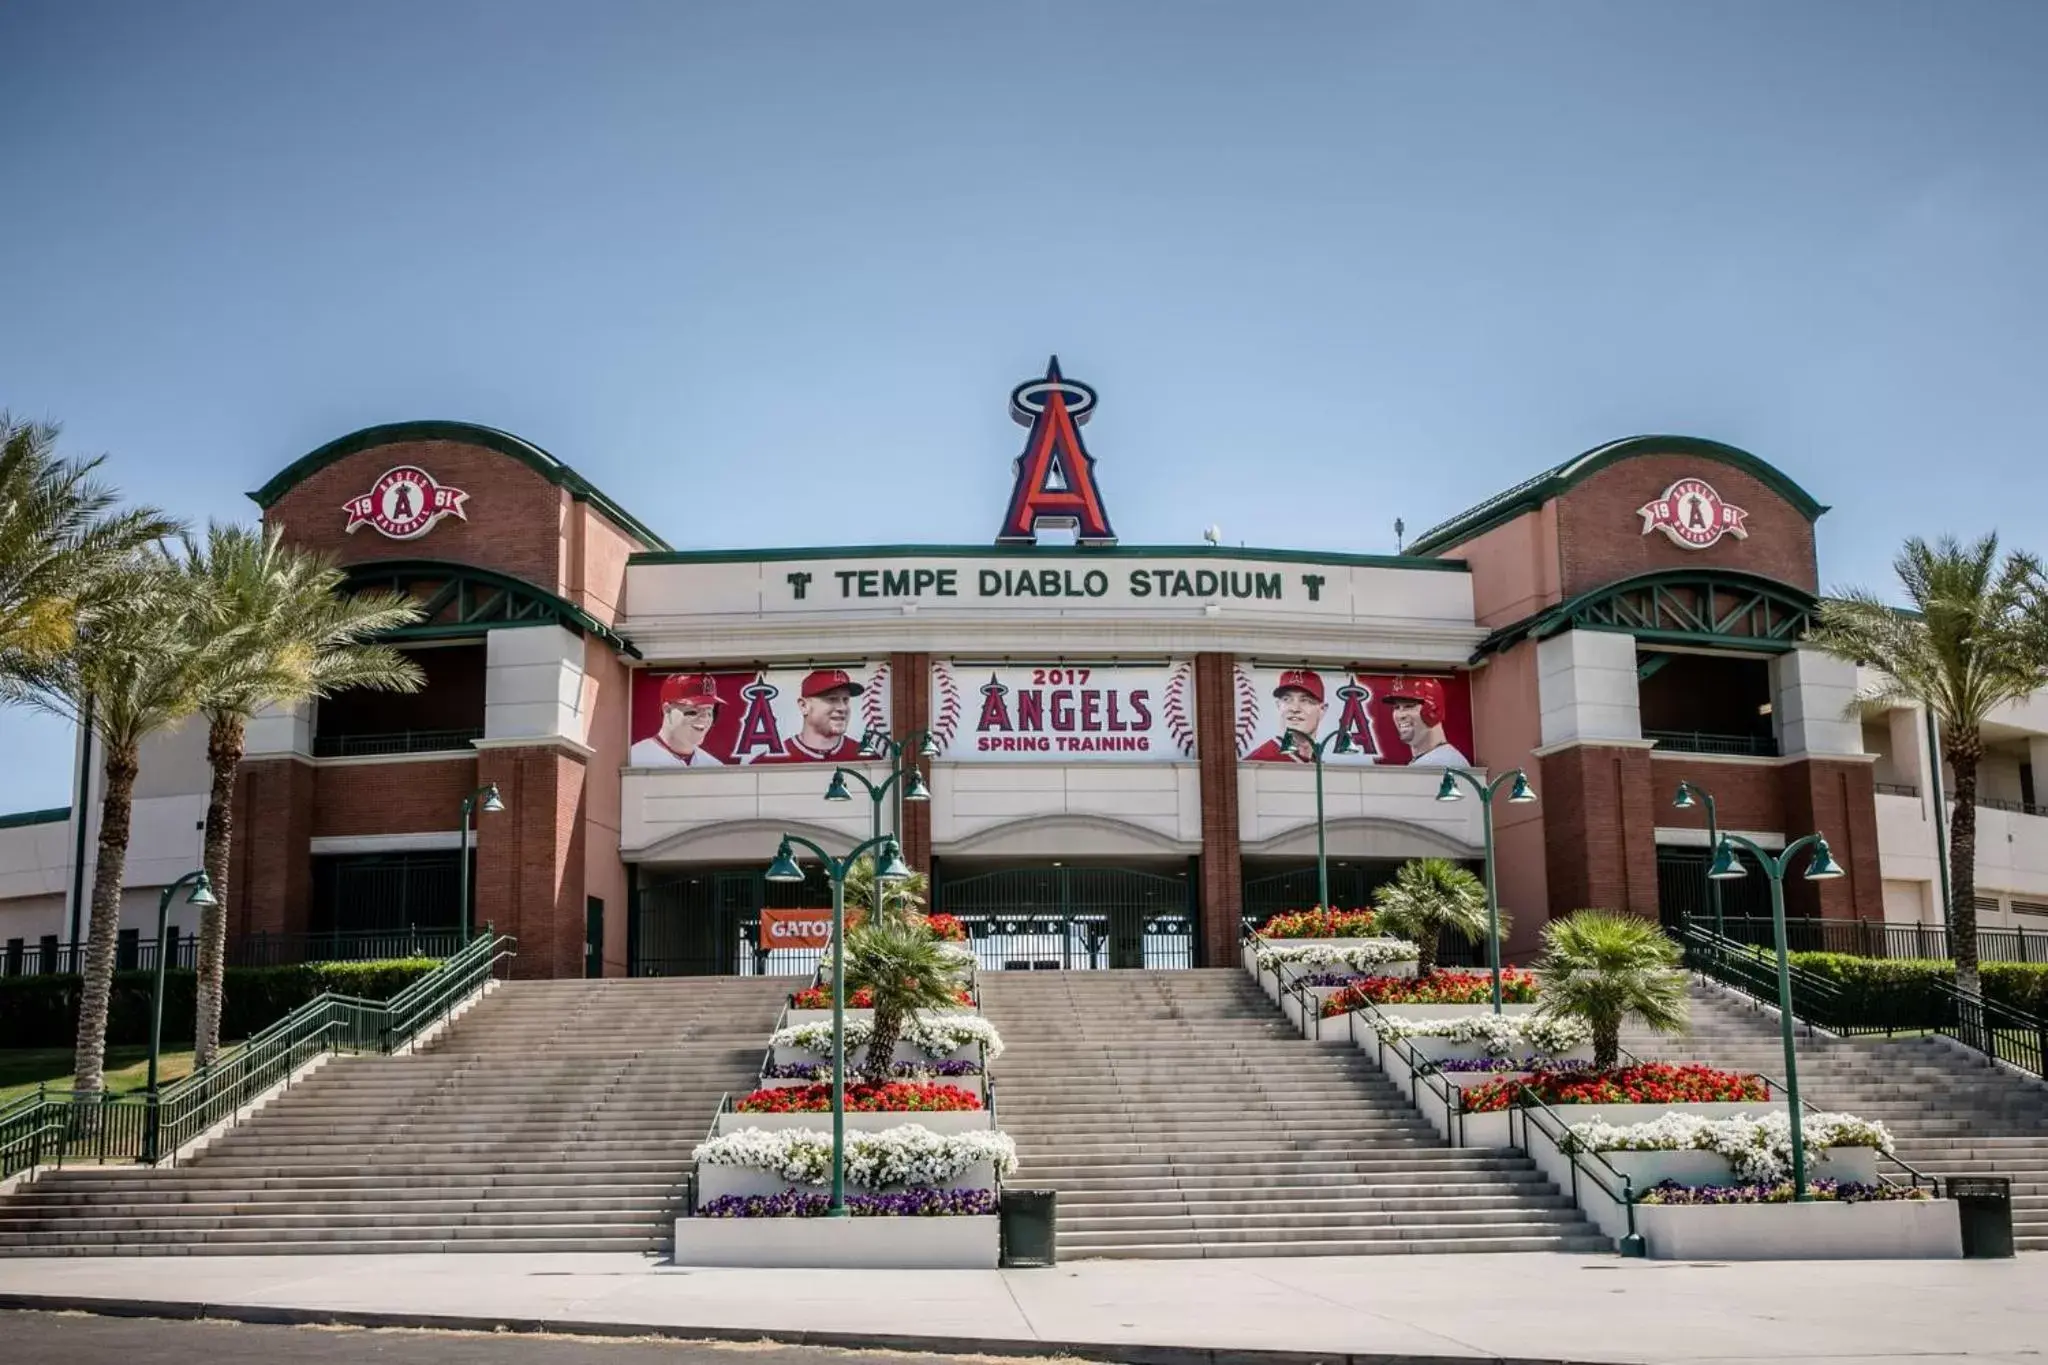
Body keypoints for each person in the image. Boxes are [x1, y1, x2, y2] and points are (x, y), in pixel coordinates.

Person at [749, 668, 868, 763]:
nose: (842, 708)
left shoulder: (865, 756)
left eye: (845, 700)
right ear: (804, 706)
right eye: (832, 699)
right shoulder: (768, 761)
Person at [631, 673, 727, 767]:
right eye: (693, 711)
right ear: (667, 710)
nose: (704, 719)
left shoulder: (713, 766)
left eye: (709, 712)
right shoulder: (635, 758)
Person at [1244, 668, 1326, 762]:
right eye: (1287, 699)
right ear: (1279, 706)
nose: (1294, 708)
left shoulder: (1316, 762)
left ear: (1322, 710)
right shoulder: (1260, 760)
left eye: (1305, 700)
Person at [1382, 677, 1468, 766]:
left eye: (1409, 706)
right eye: (1396, 707)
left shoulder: (1439, 763)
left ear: (1434, 711)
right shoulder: (1436, 757)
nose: (1401, 715)